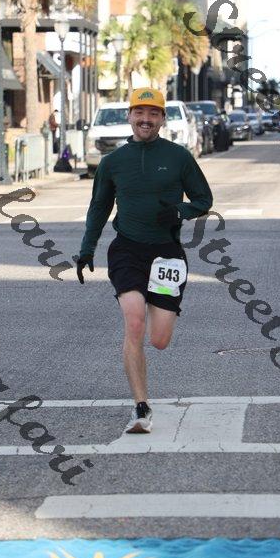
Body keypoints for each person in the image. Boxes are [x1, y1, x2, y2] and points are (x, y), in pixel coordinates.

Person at [76, 87, 213, 433]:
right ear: (129, 116)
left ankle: (144, 397)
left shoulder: (179, 157)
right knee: (134, 322)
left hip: (167, 254)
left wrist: (179, 211)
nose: (145, 119)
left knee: (159, 340)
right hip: (128, 250)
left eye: (153, 113)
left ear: (162, 119)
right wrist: (87, 249)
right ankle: (141, 407)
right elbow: (99, 208)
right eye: (139, 112)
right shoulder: (112, 162)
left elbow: (203, 199)